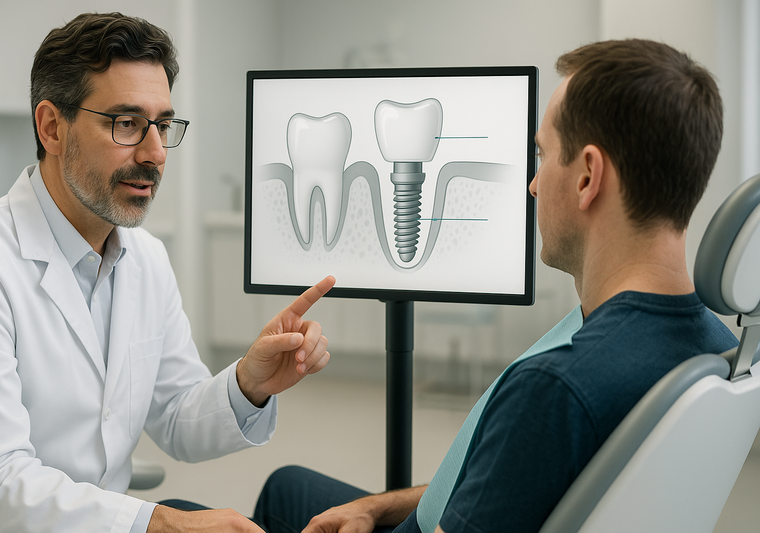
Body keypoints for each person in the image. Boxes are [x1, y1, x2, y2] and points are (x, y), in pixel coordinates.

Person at [251, 39, 739, 533]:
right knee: (289, 486)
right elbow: (520, 479)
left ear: (588, 176)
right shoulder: (721, 352)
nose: (532, 183)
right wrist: (376, 507)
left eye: (542, 155)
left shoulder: (554, 389)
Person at [0, 12, 334, 533]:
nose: (156, 153)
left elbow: (177, 418)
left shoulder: (146, 258)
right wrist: (158, 522)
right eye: (127, 123)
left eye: (162, 124)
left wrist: (248, 382)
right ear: (51, 127)